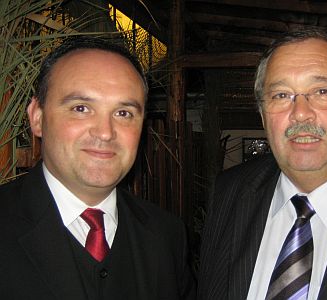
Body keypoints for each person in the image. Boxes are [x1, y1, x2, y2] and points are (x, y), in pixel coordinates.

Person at [198, 28, 327, 299]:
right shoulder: (230, 191)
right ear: (262, 115)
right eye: (281, 95)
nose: (300, 113)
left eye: (322, 91)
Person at [0, 36, 195, 299]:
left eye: (123, 113)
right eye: (81, 108)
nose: (105, 133)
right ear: (37, 116)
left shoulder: (167, 235)